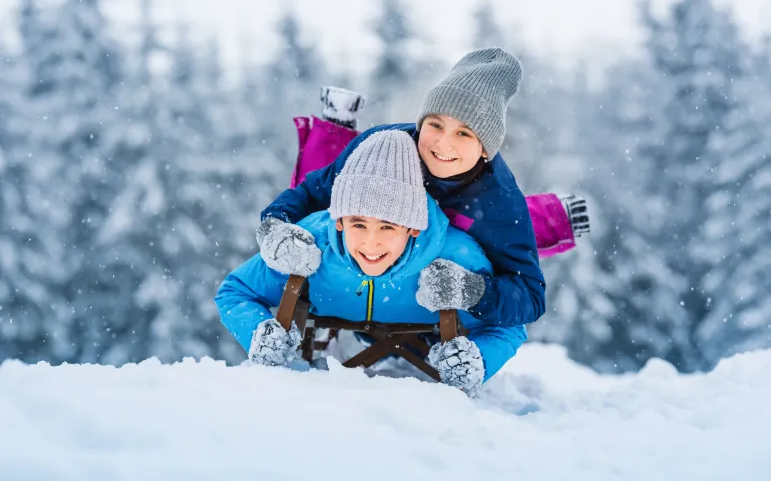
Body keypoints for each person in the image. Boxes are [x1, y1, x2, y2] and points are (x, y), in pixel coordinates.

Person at [258, 48, 556, 326]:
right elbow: (311, 192)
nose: (443, 143)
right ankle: (334, 130)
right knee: (327, 178)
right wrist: (274, 226)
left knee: (519, 235)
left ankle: (555, 216)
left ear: (485, 149)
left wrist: (472, 291)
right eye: (435, 124)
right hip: (365, 279)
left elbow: (530, 296)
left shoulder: (498, 200)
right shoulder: (382, 146)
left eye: (464, 133)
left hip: (431, 308)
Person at [215, 130, 527, 394]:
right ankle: (332, 128)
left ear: (413, 227)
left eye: (388, 227)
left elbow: (509, 324)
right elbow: (235, 290)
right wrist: (258, 332)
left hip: (425, 332)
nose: (371, 242)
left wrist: (478, 361)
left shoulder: (454, 258)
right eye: (358, 224)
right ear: (338, 221)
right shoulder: (310, 246)